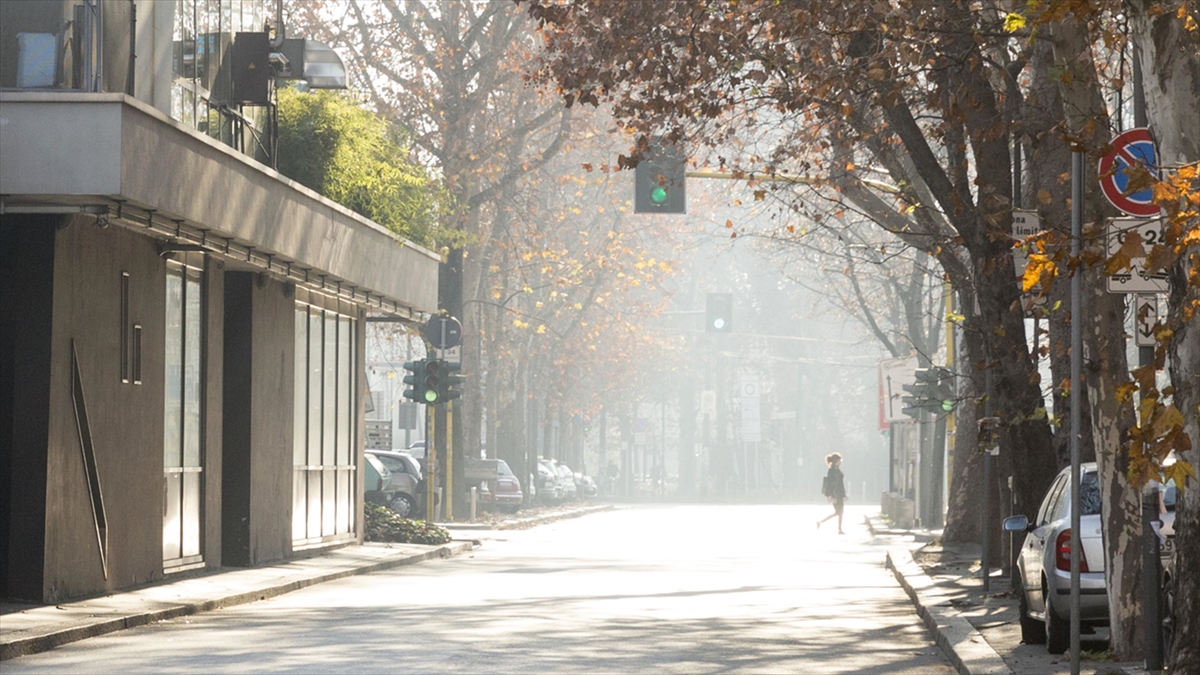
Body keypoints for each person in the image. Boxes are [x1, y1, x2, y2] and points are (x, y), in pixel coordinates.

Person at [817, 452, 847, 534]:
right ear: (836, 461)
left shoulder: (837, 469)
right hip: (835, 494)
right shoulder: (832, 470)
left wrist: (844, 494)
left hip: (839, 493)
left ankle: (821, 522)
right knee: (839, 512)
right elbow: (830, 483)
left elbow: (840, 482)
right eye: (839, 460)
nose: (840, 462)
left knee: (839, 512)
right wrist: (829, 495)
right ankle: (838, 528)